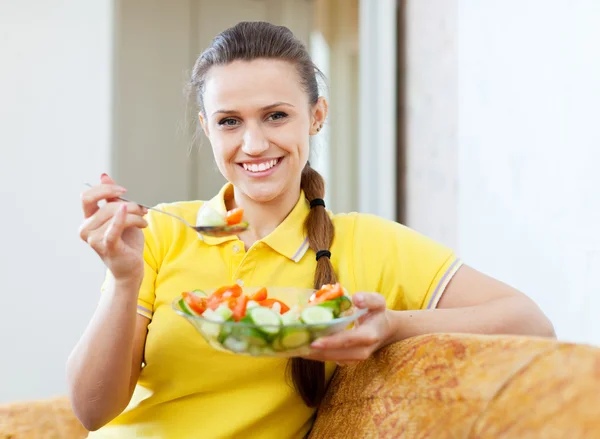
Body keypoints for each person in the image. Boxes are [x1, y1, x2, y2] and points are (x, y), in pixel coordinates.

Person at [67, 21, 554, 439]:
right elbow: (92, 409)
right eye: (229, 122)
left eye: (276, 115)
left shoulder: (368, 243)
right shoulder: (162, 231)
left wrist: (392, 327)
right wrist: (124, 279)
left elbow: (531, 323)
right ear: (208, 128)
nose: (254, 144)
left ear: (316, 117)